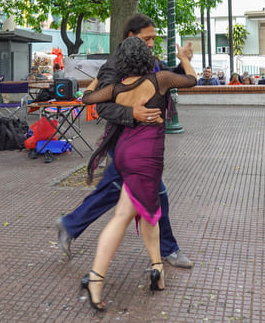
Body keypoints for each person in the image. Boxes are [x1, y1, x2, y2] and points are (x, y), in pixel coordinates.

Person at [55, 13, 195, 272]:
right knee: (154, 195)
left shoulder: (150, 61)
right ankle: (166, 251)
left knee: (114, 191)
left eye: (154, 38)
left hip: (145, 146)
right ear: (131, 37)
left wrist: (183, 63)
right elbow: (102, 107)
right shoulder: (113, 66)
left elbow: (165, 79)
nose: (152, 43)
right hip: (126, 144)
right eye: (147, 38)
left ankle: (70, 225)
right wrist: (133, 114)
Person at [78, 36, 197, 311]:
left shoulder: (116, 89)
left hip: (124, 153)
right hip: (146, 158)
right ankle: (95, 279)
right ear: (146, 59)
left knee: (147, 209)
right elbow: (191, 80)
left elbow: (87, 99)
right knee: (122, 216)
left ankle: (157, 268)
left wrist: (97, 80)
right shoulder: (161, 81)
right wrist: (185, 60)